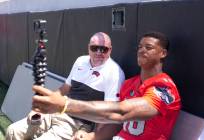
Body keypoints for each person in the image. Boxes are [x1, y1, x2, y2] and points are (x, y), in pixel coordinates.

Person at [32, 31, 181, 140]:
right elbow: (115, 120)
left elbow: (122, 112)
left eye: (148, 47)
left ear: (163, 53)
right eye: (140, 47)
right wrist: (92, 136)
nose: (142, 50)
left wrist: (64, 105)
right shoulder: (130, 84)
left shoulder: (165, 88)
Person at [6, 32, 125, 140]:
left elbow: (110, 113)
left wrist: (93, 136)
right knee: (13, 131)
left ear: (110, 50)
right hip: (57, 110)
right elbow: (65, 88)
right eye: (94, 48)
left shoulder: (114, 73)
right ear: (88, 48)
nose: (99, 52)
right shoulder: (80, 61)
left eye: (103, 49)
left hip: (77, 122)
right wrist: (43, 108)